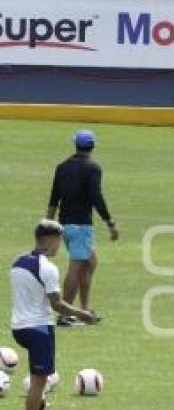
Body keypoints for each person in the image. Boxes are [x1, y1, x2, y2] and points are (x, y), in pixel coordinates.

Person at [10, 220, 95, 410]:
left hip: (19, 327)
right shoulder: (47, 268)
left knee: (41, 378)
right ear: (50, 240)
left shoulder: (17, 262)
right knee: (39, 381)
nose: (61, 246)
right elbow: (58, 305)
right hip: (39, 329)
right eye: (59, 241)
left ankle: (39, 409)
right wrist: (82, 313)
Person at [47, 129, 119, 326]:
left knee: (90, 262)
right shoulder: (93, 168)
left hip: (65, 224)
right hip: (81, 225)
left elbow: (54, 198)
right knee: (76, 268)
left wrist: (49, 225)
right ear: (92, 147)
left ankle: (85, 310)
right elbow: (96, 197)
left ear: (75, 145)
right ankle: (64, 314)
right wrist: (110, 222)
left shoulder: (62, 167)